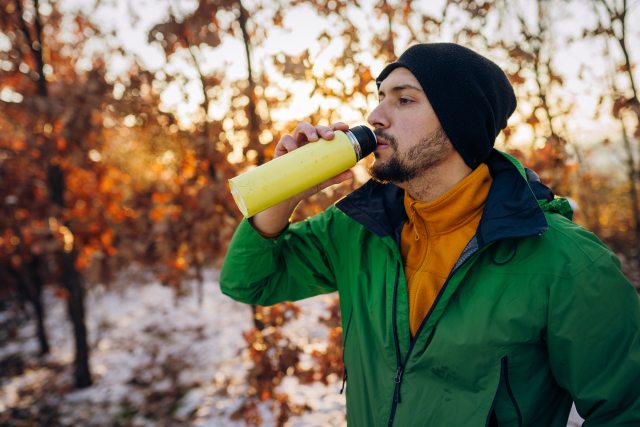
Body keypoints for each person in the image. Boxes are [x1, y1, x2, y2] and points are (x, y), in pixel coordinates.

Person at [220, 43, 640, 426]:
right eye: (381, 97)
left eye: (404, 100)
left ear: (460, 123)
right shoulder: (359, 227)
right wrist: (284, 192)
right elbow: (249, 280)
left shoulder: (565, 263)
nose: (375, 116)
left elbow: (627, 409)